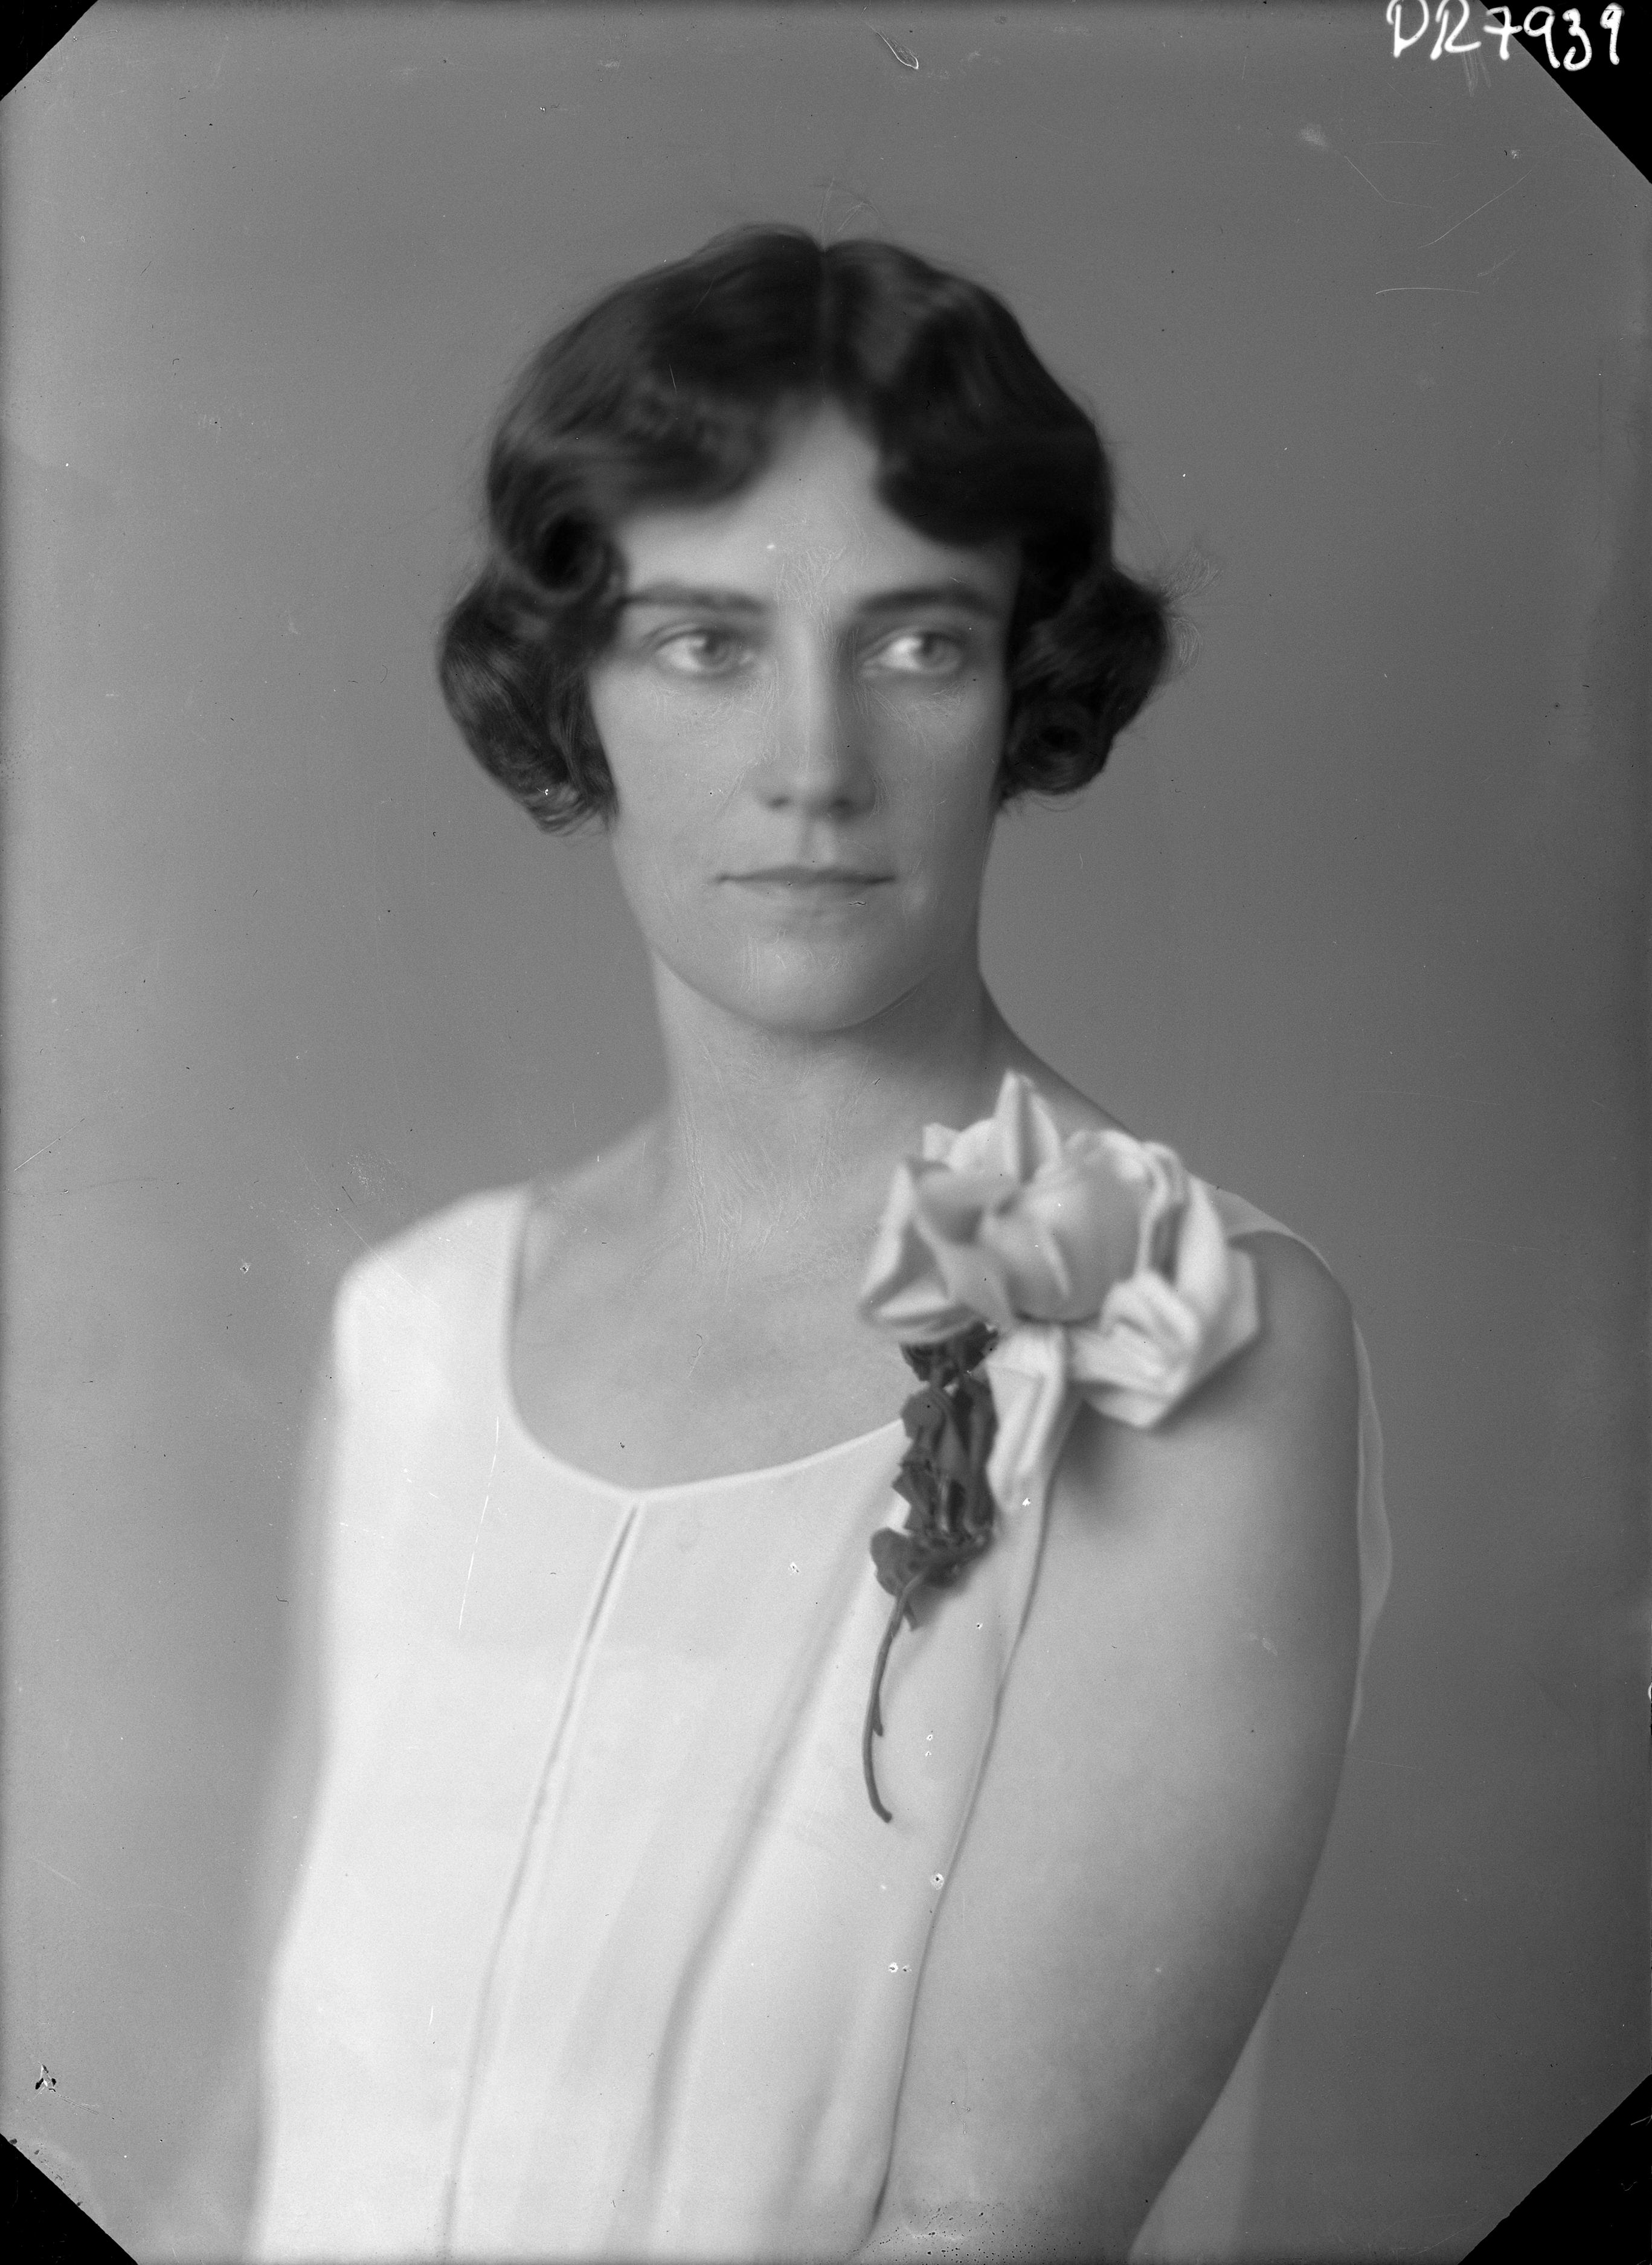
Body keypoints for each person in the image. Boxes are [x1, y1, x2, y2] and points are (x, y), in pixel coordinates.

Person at [245, 226, 1389, 2262]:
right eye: (705, 644)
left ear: (1024, 685)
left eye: (917, 645)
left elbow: (983, 2235)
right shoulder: (412, 1317)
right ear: (573, 693)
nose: (813, 765)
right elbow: (261, 2147)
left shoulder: (1179, 1319)